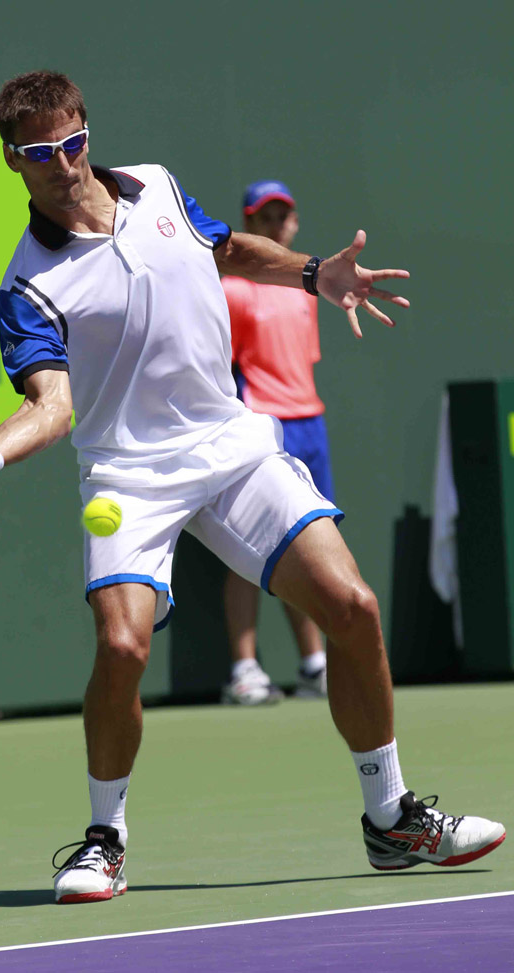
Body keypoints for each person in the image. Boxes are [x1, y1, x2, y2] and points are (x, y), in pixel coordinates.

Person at [0, 72, 505, 903]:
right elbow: (51, 406)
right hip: (128, 474)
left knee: (353, 606)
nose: (63, 164)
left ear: (88, 132)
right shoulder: (29, 285)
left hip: (231, 447)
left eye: (73, 143)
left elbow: (226, 248)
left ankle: (391, 816)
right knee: (122, 647)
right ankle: (104, 840)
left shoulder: (157, 186)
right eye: (40, 153)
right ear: (12, 161)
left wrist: (314, 273)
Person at [221, 180, 331, 706]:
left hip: (310, 424)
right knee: (246, 551)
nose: (276, 225)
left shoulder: (305, 289)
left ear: (295, 222)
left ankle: (313, 664)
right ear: (248, 224)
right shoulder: (234, 289)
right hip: (260, 427)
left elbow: (302, 362)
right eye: (264, 217)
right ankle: (245, 670)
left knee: (308, 549)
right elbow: (223, 368)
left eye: (283, 216)